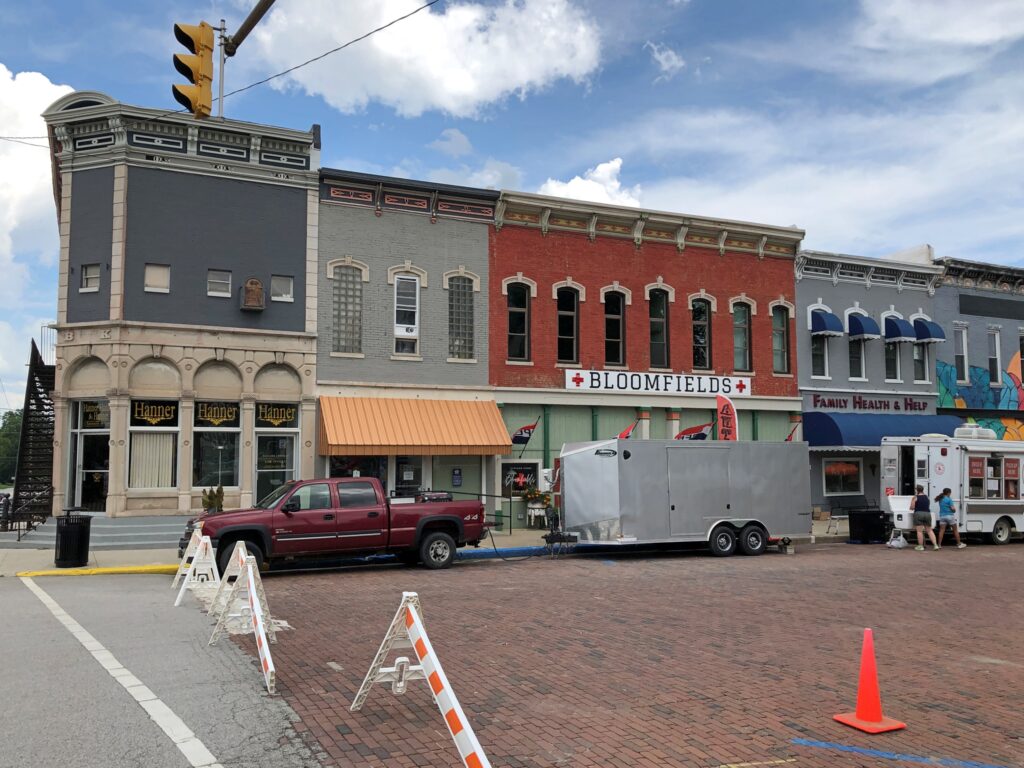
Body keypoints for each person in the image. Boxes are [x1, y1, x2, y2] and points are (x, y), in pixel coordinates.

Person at [911, 484, 939, 551]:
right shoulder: (927, 497)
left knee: (919, 531)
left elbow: (912, 507)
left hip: (919, 514)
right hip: (927, 514)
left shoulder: (915, 497)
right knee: (929, 530)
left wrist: (911, 506)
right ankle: (935, 545)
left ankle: (920, 546)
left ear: (916, 490)